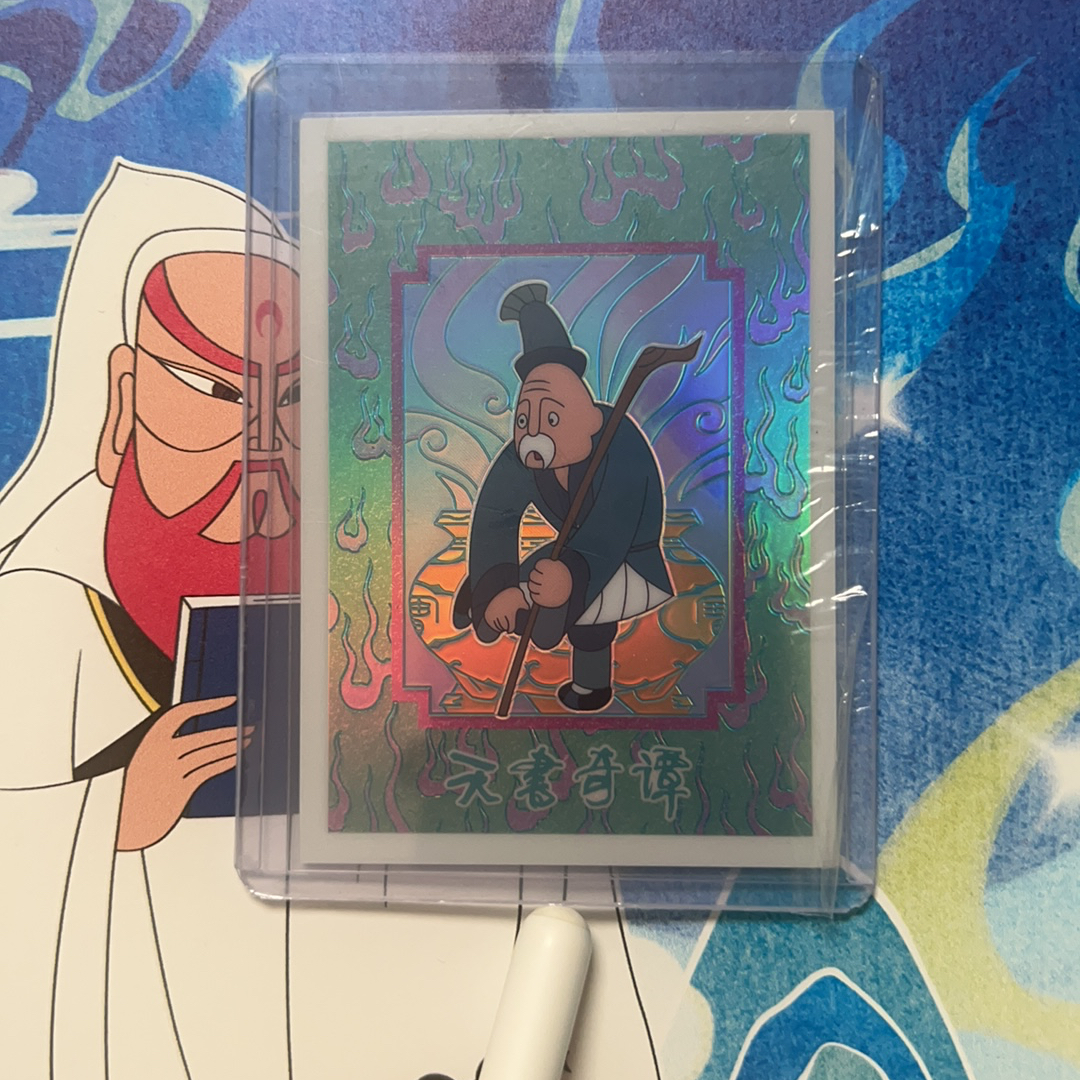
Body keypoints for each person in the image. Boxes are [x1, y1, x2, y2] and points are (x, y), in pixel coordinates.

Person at [0, 162, 667, 1079]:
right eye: (212, 392)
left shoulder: (362, 611)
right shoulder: (42, 606)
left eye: (293, 400)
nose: (259, 455)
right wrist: (120, 809)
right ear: (123, 400)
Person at [455, 281, 673, 712]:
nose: (533, 432)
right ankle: (494, 602)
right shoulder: (524, 454)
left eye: (551, 417)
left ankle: (592, 684)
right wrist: (495, 583)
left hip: (628, 559)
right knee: (529, 578)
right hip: (575, 551)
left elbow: (610, 531)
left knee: (574, 602)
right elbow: (495, 518)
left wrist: (569, 578)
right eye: (524, 418)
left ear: (591, 419)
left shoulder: (619, 444)